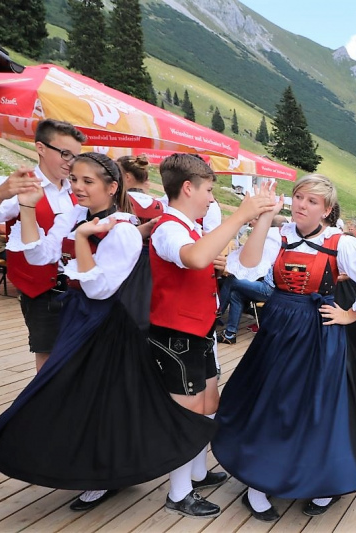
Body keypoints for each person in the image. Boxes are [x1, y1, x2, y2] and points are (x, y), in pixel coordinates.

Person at [0, 153, 216, 512]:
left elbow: (99, 289)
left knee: (102, 401)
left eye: (87, 181)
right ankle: (100, 474)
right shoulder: (75, 216)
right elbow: (40, 256)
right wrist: (27, 208)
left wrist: (82, 240)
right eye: (74, 179)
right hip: (78, 316)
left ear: (112, 186)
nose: (77, 187)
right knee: (74, 397)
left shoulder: (123, 230)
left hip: (109, 324)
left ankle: (107, 476)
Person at [212, 175, 356, 522]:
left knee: (317, 406)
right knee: (269, 401)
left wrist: (350, 314)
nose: (302, 204)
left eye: (312, 201)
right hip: (278, 328)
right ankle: (257, 484)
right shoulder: (278, 235)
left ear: (326, 210)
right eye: (299, 197)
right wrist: (264, 217)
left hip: (318, 331)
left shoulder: (340, 243)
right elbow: (246, 268)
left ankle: (324, 481)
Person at [148, 153, 277, 518]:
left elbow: (222, 260)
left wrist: (262, 217)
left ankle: (197, 472)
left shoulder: (190, 228)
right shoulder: (169, 228)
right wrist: (241, 216)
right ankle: (178, 492)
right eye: (208, 190)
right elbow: (193, 259)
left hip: (198, 330)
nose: (211, 198)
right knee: (186, 412)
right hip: (177, 334)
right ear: (188, 188)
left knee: (207, 404)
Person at [0, 119, 86, 371]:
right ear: (41, 148)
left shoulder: (78, 189)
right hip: (42, 289)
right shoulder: (17, 185)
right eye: (65, 153)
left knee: (80, 354)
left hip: (81, 287)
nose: (71, 162)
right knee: (49, 356)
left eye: (76, 156)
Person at [218, 215, 286, 344]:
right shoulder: (277, 241)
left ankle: (215, 315)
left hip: (270, 289)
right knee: (236, 294)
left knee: (231, 280)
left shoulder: (271, 242)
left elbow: (256, 265)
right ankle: (230, 334)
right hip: (271, 287)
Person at [116, 154, 162, 331]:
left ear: (127, 177)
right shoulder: (160, 205)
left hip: (123, 263)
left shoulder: (118, 202)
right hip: (151, 265)